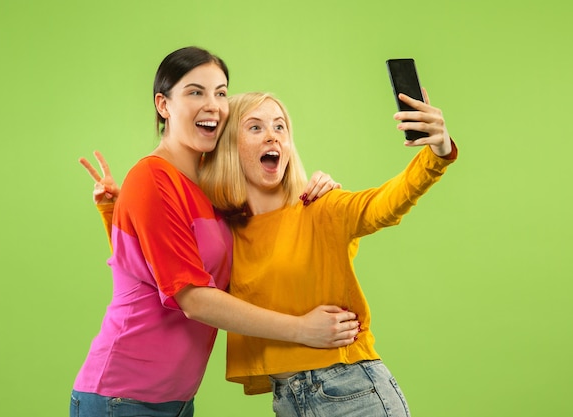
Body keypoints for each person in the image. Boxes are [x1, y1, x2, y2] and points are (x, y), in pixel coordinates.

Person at [71, 46, 359, 417]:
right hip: (122, 398)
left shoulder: (213, 187)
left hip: (175, 401)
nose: (214, 105)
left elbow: (151, 262)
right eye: (196, 92)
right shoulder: (152, 178)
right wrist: (303, 330)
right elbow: (192, 298)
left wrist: (315, 191)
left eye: (221, 92)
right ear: (164, 105)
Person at [196, 91, 458, 416]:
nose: (272, 137)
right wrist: (114, 208)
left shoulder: (319, 208)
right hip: (287, 400)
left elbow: (383, 205)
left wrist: (438, 151)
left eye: (280, 127)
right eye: (255, 128)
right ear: (228, 146)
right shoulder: (225, 235)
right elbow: (164, 267)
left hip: (352, 391)